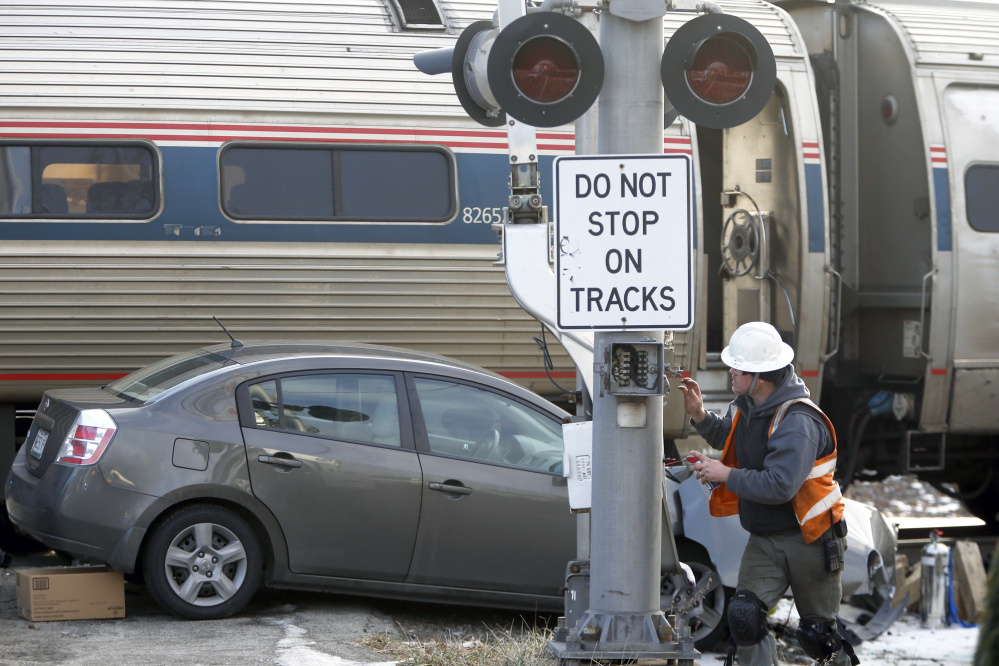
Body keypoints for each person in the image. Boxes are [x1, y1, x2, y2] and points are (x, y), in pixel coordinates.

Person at [678, 322, 857, 666]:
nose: (730, 371)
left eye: (738, 367)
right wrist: (700, 415)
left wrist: (725, 474)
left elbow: (779, 485)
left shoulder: (798, 422)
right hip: (765, 539)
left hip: (812, 539)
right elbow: (732, 439)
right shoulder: (749, 405)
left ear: (760, 377)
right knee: (745, 618)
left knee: (820, 637)